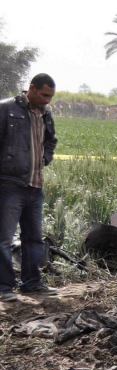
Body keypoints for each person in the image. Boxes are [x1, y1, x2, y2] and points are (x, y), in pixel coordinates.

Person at [0, 74, 58, 302]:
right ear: (31, 89)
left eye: (50, 97)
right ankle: (4, 287)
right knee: (3, 239)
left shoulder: (45, 114)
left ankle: (31, 283)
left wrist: (45, 158)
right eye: (44, 95)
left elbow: (51, 140)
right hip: (10, 184)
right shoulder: (6, 109)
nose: (47, 100)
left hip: (35, 185)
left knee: (34, 239)